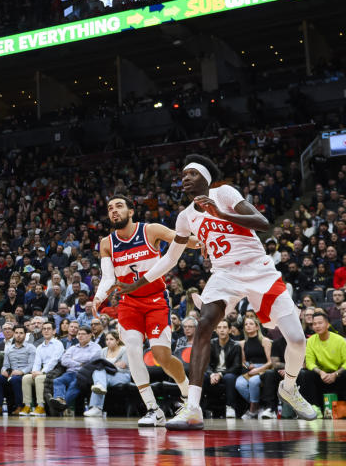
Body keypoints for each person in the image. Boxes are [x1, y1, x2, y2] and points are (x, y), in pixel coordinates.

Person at [116, 154, 315, 430]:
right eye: (183, 174)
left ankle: (290, 387)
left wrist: (222, 214)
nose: (185, 178)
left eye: (191, 174)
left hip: (258, 268)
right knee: (204, 323)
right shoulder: (185, 218)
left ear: (205, 179)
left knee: (296, 339)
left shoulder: (224, 193)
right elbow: (171, 259)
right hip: (225, 274)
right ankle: (193, 407)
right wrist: (137, 284)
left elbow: (263, 222)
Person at [93, 195, 196, 426]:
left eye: (119, 206)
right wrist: (99, 297)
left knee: (162, 356)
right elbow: (108, 277)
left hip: (156, 299)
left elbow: (179, 238)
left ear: (131, 211)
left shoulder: (150, 230)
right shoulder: (107, 243)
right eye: (110, 208)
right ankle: (153, 409)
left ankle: (188, 395)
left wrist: (200, 242)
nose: (114, 211)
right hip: (129, 302)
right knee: (132, 349)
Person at [48, 327, 102, 415]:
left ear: (90, 335)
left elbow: (91, 359)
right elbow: (64, 360)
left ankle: (63, 404)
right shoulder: (73, 347)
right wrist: (79, 363)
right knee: (57, 380)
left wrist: (73, 359)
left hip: (85, 374)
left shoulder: (96, 347)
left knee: (74, 384)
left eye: (83, 334)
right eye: (79, 334)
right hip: (70, 373)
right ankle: (59, 398)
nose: (80, 336)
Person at [300, 311, 346, 413]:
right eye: (314, 324)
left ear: (328, 324)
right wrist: (321, 373)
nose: (317, 326)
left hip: (338, 374)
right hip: (322, 375)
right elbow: (309, 362)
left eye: (320, 323)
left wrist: (336, 374)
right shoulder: (311, 341)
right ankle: (314, 408)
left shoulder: (340, 340)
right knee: (307, 374)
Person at [23, 321, 64, 417]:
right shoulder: (40, 347)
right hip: (43, 370)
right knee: (26, 378)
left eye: (49, 329)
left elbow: (54, 361)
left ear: (54, 331)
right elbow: (37, 362)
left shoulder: (58, 344)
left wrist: (41, 372)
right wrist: (34, 371)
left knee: (39, 378)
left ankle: (41, 406)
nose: (46, 331)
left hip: (56, 370)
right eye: (44, 329)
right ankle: (27, 405)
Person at [84, 332, 131, 417]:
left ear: (117, 341)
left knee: (100, 376)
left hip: (122, 375)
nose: (108, 341)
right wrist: (114, 364)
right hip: (107, 375)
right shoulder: (103, 351)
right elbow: (98, 364)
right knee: (97, 371)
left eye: (111, 339)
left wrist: (107, 365)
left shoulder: (124, 350)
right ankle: (97, 405)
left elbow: (123, 367)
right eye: (107, 339)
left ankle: (97, 408)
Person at [0, 324, 35, 415]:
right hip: (11, 373)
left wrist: (21, 371)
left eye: (21, 333)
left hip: (24, 374)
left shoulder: (30, 348)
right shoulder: (9, 349)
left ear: (25, 335)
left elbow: (31, 365)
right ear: (13, 334)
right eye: (16, 333)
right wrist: (3, 371)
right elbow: (5, 365)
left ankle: (19, 406)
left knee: (16, 379)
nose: (18, 335)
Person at [235, 315, 272, 419]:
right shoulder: (242, 343)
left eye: (251, 324)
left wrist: (257, 369)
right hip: (250, 369)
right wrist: (248, 366)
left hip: (264, 368)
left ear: (257, 327)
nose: (248, 326)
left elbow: (270, 362)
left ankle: (252, 409)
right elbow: (244, 361)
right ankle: (259, 405)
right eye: (246, 324)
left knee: (253, 382)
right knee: (239, 384)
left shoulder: (265, 341)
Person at [205, 320, 241, 417]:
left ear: (229, 330)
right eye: (219, 328)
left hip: (228, 373)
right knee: (203, 376)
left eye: (224, 327)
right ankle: (201, 407)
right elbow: (206, 363)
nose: (222, 330)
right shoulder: (211, 344)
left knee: (229, 378)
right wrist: (212, 374)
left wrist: (220, 375)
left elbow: (236, 366)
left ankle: (230, 407)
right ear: (216, 330)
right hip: (214, 373)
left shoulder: (236, 346)